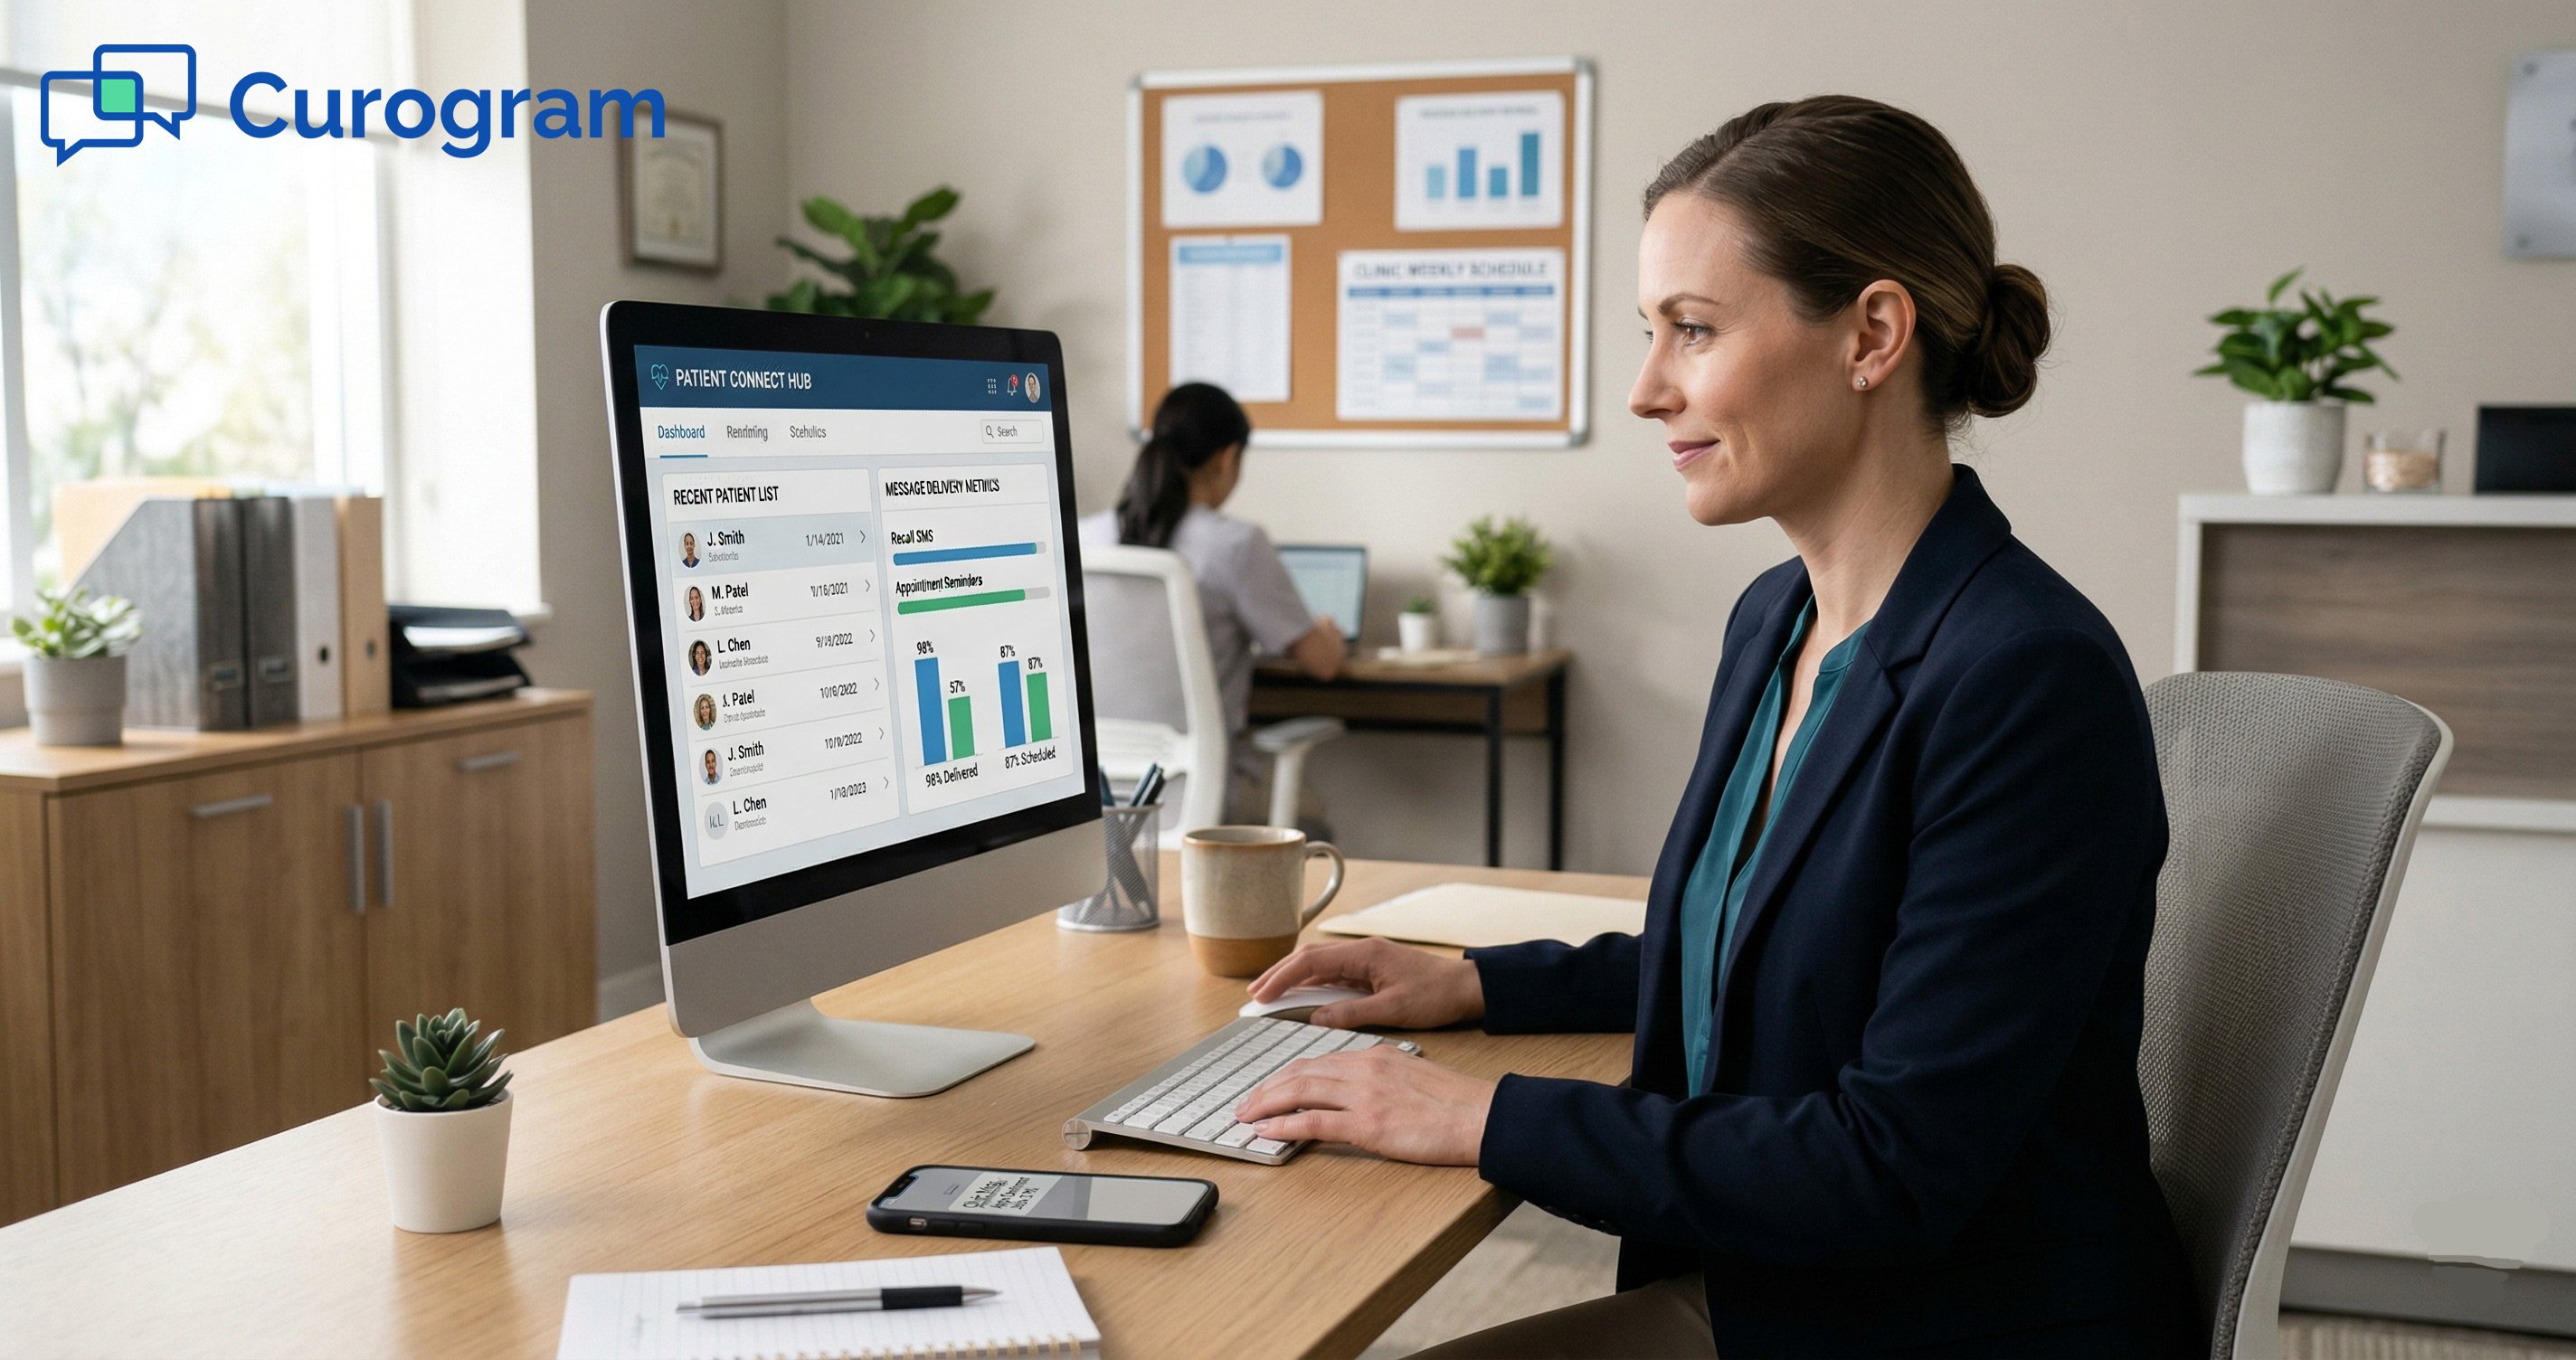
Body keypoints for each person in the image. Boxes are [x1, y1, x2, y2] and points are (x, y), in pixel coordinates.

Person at [1236, 97, 2194, 1357]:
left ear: (1872, 336)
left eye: (1691, 329)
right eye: (1650, 332)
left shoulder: (2025, 677)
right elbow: (1763, 958)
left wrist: (1479, 1118)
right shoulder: (1776, 621)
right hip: (1774, 1293)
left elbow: (1894, 1163)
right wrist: (1473, 981)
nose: (1647, 389)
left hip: (1934, 1326)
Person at [1078, 382, 1346, 824]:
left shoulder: (1085, 538)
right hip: (1201, 798)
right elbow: (1322, 664)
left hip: (1096, 802)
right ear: (1228, 458)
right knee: (1312, 817)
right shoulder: (1236, 545)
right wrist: (1328, 637)